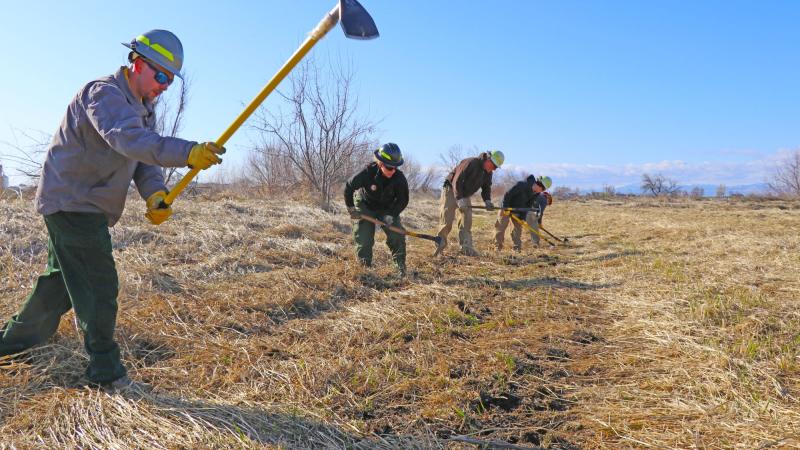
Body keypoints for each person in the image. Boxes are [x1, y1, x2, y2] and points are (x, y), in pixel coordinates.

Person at [0, 30, 224, 392]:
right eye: (161, 76)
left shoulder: (142, 111)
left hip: (86, 206)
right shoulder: (103, 94)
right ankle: (105, 370)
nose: (165, 86)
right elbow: (127, 140)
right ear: (137, 64)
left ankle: (12, 342)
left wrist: (156, 194)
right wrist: (188, 152)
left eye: (170, 80)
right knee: (98, 283)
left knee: (58, 287)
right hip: (72, 201)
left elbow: (141, 161)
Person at [344, 143, 409, 276]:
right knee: (364, 239)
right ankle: (365, 270)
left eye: (395, 168)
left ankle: (400, 268)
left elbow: (403, 200)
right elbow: (349, 187)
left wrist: (392, 215)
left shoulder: (399, 178)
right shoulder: (367, 172)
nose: (392, 171)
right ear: (380, 163)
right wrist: (351, 209)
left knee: (397, 236)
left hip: (387, 208)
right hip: (365, 204)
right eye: (389, 167)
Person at [436, 150, 504, 256]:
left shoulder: (488, 173)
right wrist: (459, 199)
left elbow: (486, 188)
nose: (493, 169)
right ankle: (439, 247)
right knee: (447, 220)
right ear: (488, 159)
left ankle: (466, 248)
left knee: (466, 221)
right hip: (451, 189)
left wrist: (487, 200)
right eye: (493, 166)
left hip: (465, 194)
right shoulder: (471, 163)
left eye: (496, 168)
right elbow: (457, 181)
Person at [494, 174, 538, 252]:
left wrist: (522, 217)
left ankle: (517, 248)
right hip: (506, 206)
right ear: (537, 184)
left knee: (517, 228)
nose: (541, 191)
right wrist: (505, 208)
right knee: (501, 226)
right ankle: (498, 247)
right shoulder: (521, 185)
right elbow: (508, 194)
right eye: (542, 188)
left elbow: (528, 206)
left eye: (543, 190)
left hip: (517, 209)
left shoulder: (536, 193)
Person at [526, 176, 552, 246]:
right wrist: (539, 222)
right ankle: (535, 243)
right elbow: (540, 213)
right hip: (528, 210)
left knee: (533, 221)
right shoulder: (543, 200)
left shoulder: (538, 193)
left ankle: (534, 241)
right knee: (534, 223)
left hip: (527, 208)